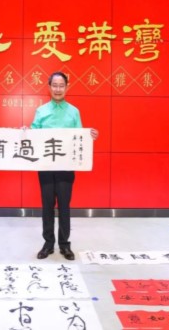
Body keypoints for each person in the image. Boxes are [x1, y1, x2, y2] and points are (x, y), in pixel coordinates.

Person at [30, 71, 99, 261]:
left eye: (61, 86)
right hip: (45, 166)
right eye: (55, 85)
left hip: (66, 167)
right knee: (47, 206)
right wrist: (26, 132)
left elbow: (80, 137)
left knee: (64, 206)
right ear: (49, 87)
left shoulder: (74, 111)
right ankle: (48, 244)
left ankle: (64, 244)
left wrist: (90, 135)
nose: (58, 89)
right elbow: (33, 134)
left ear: (67, 87)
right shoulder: (41, 111)